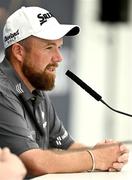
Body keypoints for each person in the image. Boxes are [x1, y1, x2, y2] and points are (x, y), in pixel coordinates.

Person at [0, 6, 129, 178]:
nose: (59, 58)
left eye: (59, 47)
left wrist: (104, 155)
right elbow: (34, 162)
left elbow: (65, 146)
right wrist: (95, 159)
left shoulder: (36, 89)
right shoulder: (2, 90)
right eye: (49, 48)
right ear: (19, 52)